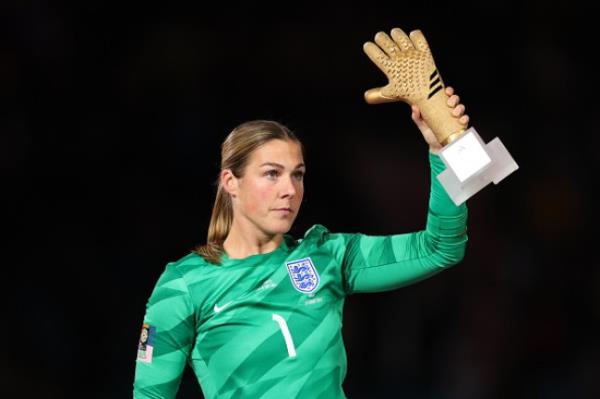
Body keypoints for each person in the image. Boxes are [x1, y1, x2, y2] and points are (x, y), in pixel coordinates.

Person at [133, 86, 469, 398]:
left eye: (298, 174)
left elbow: (441, 247)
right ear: (230, 182)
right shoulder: (183, 285)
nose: (290, 190)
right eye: (271, 173)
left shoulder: (328, 257)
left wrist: (444, 150)